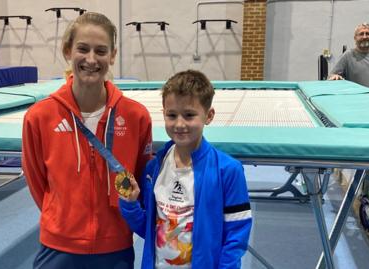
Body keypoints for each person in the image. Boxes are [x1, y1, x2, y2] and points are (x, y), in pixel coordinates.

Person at [22, 12, 153, 269]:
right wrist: (63, 220)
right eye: (83, 49)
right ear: (68, 50)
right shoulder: (40, 117)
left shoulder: (136, 116)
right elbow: (37, 181)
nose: (91, 59)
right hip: (59, 246)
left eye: (101, 51)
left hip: (115, 246)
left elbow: (140, 176)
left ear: (112, 55)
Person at [118, 70, 252, 268]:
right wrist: (130, 205)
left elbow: (236, 235)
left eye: (189, 115)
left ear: (209, 115)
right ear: (163, 113)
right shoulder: (154, 168)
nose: (179, 124)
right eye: (172, 115)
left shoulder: (228, 171)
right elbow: (148, 229)